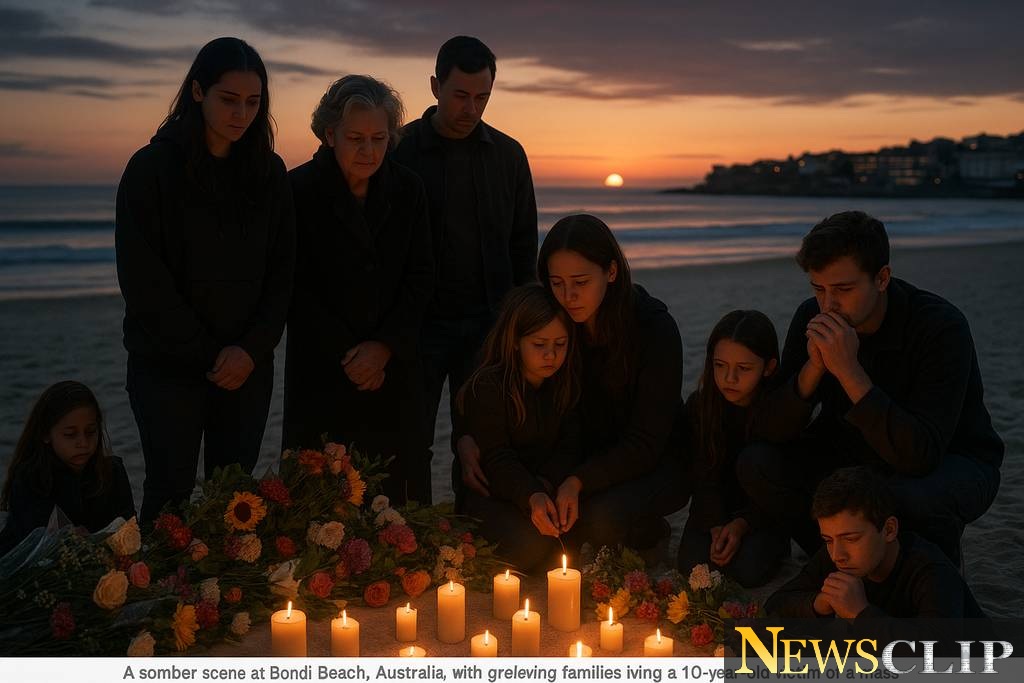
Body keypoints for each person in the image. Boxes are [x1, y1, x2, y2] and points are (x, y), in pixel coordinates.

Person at [738, 211, 1002, 563]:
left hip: (950, 460)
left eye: (843, 289)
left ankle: (929, 570)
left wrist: (848, 370)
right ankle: (832, 558)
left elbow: (920, 455)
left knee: (907, 497)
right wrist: (813, 368)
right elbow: (770, 427)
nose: (828, 304)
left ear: (882, 278)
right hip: (854, 453)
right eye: (819, 288)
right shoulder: (813, 316)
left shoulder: (940, 326)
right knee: (757, 463)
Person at [116, 37, 295, 523]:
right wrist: (210, 353)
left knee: (233, 500)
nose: (242, 114)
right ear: (198, 91)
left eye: (253, 102)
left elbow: (282, 275)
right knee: (169, 494)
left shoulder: (269, 173)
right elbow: (143, 280)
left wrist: (250, 350)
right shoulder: (150, 169)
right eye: (229, 99)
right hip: (166, 366)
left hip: (246, 367)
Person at [391, 35, 538, 504]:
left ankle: (471, 533)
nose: (471, 108)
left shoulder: (509, 156)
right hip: (417, 327)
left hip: (487, 327)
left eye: (482, 97)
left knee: (479, 443)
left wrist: (521, 325)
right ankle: (409, 532)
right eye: (460, 95)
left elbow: (523, 247)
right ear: (435, 86)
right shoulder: (399, 150)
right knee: (408, 443)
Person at [283, 75, 433, 504]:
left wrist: (383, 348)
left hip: (394, 370)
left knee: (395, 501)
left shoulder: (409, 189)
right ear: (330, 133)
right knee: (317, 501)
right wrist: (351, 356)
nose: (368, 151)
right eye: (356, 138)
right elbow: (292, 286)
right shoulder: (296, 190)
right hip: (321, 370)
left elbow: (422, 277)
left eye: (378, 139)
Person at [531, 213, 688, 554]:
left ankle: (648, 527)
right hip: (590, 457)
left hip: (657, 460)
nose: (568, 296)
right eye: (557, 283)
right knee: (546, 529)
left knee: (601, 518)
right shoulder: (558, 326)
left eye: (580, 282)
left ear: (611, 271)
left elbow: (646, 441)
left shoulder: (654, 329)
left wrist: (578, 481)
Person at [456, 284, 580, 572]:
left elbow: (572, 445)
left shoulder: (566, 383)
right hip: (494, 492)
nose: (551, 355)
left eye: (560, 344)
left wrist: (547, 483)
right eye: (539, 345)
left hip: (544, 487)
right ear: (514, 341)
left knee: (574, 537)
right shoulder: (489, 386)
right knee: (531, 547)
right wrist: (531, 494)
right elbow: (496, 456)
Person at [765, 466, 985, 619]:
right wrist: (818, 603)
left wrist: (860, 614)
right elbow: (775, 604)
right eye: (828, 540)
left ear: (889, 530)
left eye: (851, 538)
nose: (837, 555)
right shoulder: (837, 556)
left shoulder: (931, 571)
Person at [677, 310, 788, 587]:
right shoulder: (701, 406)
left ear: (769, 367)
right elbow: (700, 474)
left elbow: (784, 486)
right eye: (720, 365)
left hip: (762, 513)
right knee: (692, 565)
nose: (729, 378)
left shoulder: (778, 411)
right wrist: (716, 524)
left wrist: (742, 525)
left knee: (749, 570)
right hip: (713, 510)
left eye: (744, 368)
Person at [0, 382, 135, 556]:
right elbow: (30, 545)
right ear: (45, 434)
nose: (83, 443)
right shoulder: (31, 479)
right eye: (70, 434)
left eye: (91, 431)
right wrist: (66, 540)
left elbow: (131, 530)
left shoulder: (112, 472)